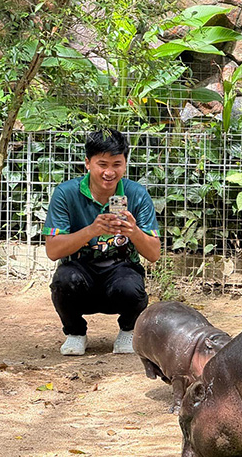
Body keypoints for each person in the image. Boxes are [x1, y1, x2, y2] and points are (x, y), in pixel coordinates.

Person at [43, 129, 161, 356]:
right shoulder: (66, 193)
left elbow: (154, 254)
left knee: (132, 286)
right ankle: (75, 333)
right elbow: (52, 250)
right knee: (63, 281)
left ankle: (128, 330)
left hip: (120, 269)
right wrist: (91, 230)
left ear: (125, 164)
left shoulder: (137, 194)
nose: (109, 172)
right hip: (79, 270)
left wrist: (134, 232)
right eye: (102, 164)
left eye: (116, 164)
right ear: (88, 163)